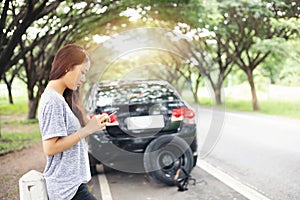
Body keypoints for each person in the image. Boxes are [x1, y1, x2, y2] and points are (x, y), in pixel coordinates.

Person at [38, 44, 108, 200]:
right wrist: (87, 130)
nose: (83, 79)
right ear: (68, 67)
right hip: (66, 190)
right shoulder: (52, 100)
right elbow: (50, 147)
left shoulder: (60, 99)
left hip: (73, 186)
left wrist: (92, 124)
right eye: (82, 73)